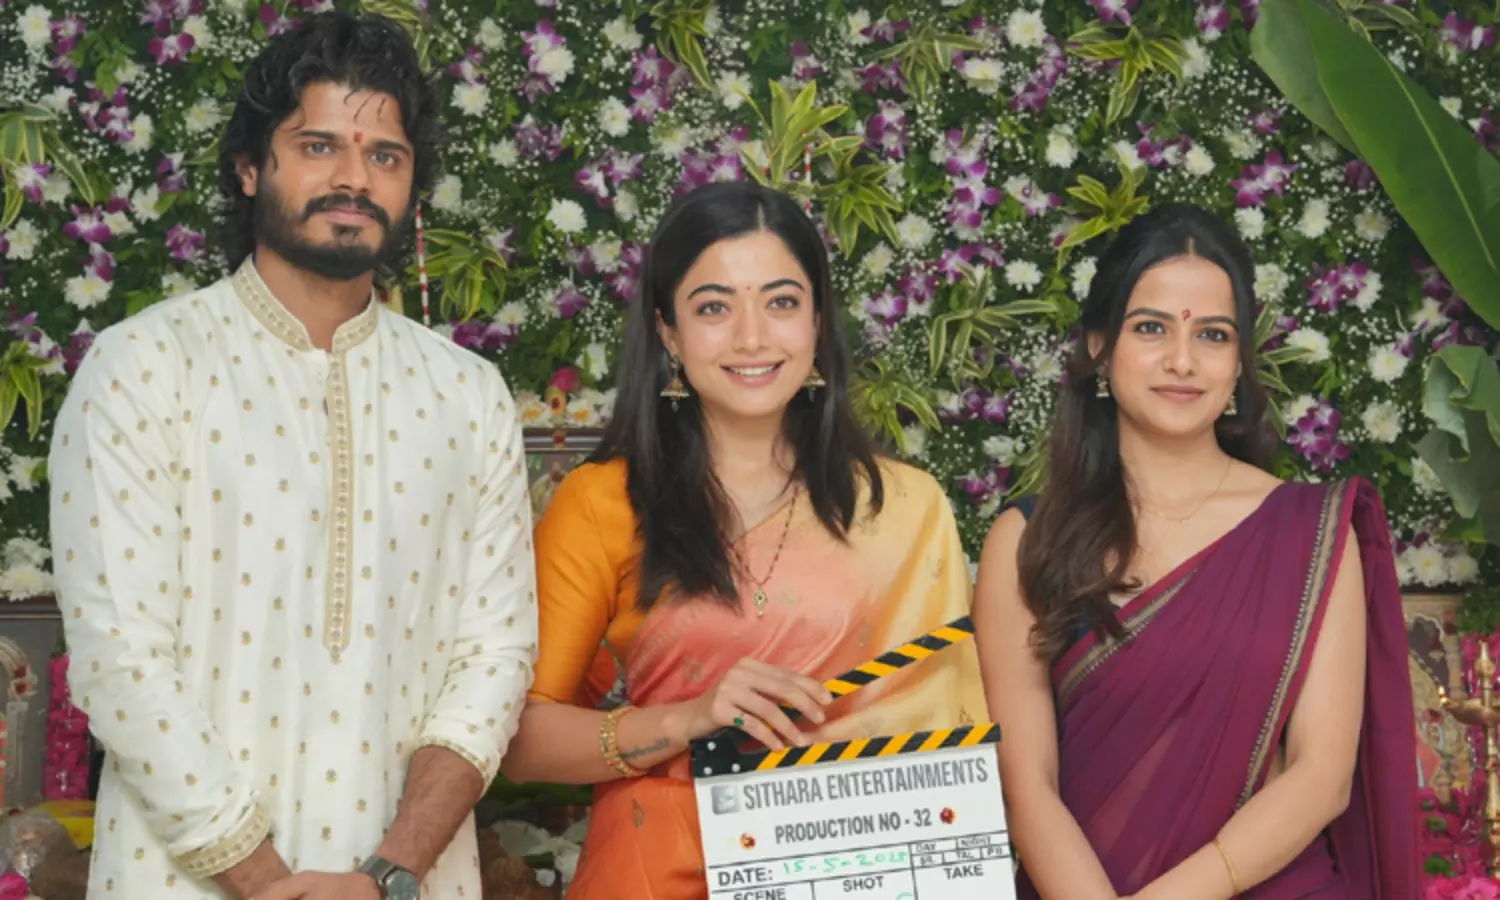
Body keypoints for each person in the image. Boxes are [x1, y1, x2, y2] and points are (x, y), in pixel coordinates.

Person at [48, 13, 537, 900]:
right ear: (250, 166)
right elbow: (120, 663)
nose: (354, 178)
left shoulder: (469, 395)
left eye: (385, 155)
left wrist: (388, 872)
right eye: (319, 146)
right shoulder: (143, 368)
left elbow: (494, 660)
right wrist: (271, 883)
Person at [500, 180, 986, 898]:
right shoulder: (602, 502)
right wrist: (687, 720)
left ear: (817, 320)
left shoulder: (903, 507)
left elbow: (943, 744)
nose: (752, 337)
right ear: (668, 332)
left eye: (781, 302)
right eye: (714, 307)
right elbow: (522, 742)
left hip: (856, 877)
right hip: (655, 875)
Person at [972, 203, 1418, 899]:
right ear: (1099, 345)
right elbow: (1027, 785)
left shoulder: (1311, 530)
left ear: (1239, 361)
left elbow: (1321, 776)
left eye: (1212, 334)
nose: (1182, 360)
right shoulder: (1030, 537)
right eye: (1151, 328)